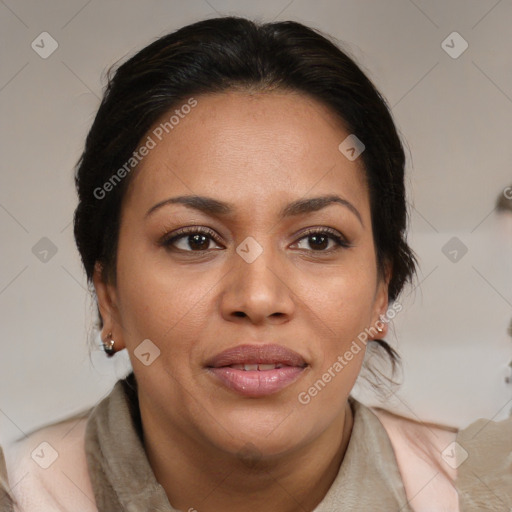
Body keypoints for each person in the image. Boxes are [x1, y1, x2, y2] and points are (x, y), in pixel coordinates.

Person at [1, 16, 510, 512]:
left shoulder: (487, 491)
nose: (259, 298)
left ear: (383, 287)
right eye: (195, 240)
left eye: (316, 241)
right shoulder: (21, 492)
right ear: (108, 293)